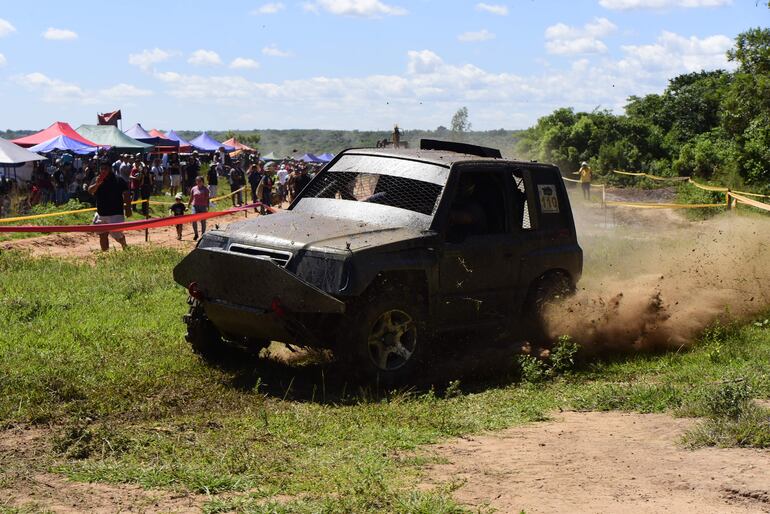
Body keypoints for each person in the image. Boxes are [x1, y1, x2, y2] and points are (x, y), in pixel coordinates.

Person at [88, 161, 131, 252]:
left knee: (117, 236)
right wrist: (97, 184)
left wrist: (128, 208)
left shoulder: (118, 179)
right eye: (102, 169)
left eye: (105, 169)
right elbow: (90, 191)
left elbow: (126, 193)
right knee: (102, 235)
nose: (103, 171)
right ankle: (105, 254)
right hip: (101, 213)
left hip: (116, 213)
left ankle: (125, 247)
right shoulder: (96, 179)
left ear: (110, 169)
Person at [188, 176, 210, 241]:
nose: (198, 182)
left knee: (203, 221)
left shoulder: (206, 189)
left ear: (203, 182)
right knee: (193, 220)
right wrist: (188, 205)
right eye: (197, 181)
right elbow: (191, 197)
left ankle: (203, 235)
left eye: (200, 181)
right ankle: (196, 234)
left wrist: (207, 206)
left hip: (203, 206)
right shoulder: (193, 188)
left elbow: (207, 199)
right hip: (195, 206)